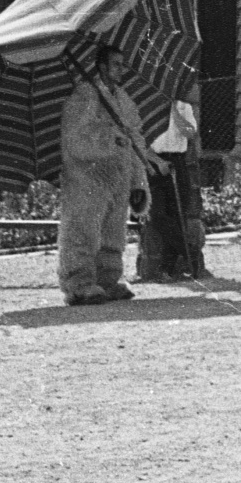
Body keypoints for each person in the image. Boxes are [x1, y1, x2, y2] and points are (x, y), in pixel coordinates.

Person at [58, 44, 165, 305]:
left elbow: (133, 138)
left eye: (122, 64)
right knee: (83, 228)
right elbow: (75, 140)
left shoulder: (122, 99)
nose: (121, 70)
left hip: (117, 177)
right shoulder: (84, 96)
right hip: (88, 178)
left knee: (113, 231)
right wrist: (109, 138)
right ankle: (78, 283)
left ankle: (107, 279)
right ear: (102, 66)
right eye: (116, 64)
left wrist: (139, 181)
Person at [144, 92, 201, 279]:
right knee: (157, 215)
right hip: (155, 163)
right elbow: (140, 142)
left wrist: (175, 112)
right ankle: (190, 253)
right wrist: (158, 162)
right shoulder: (148, 107)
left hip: (177, 161)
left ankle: (167, 269)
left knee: (177, 215)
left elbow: (191, 133)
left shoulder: (184, 106)